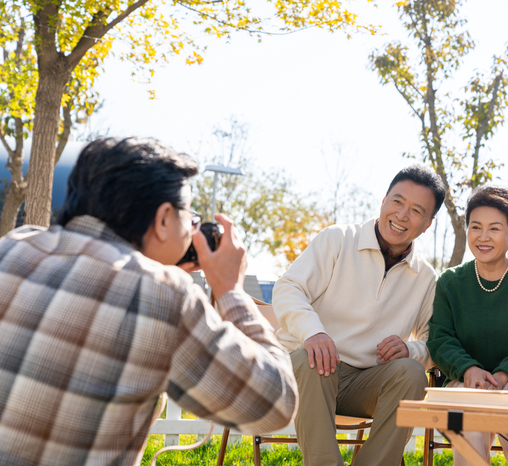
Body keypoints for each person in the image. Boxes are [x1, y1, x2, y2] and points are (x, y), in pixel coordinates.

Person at [0, 138, 298, 465]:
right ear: (164, 219)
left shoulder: (13, 248)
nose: (194, 231)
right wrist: (231, 291)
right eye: (191, 219)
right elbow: (276, 403)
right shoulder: (164, 297)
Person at [272, 165, 445, 466]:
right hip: (308, 374)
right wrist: (313, 332)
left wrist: (411, 349)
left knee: (412, 373)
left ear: (428, 224)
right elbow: (288, 288)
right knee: (311, 361)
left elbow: (435, 342)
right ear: (383, 201)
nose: (402, 215)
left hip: (365, 383)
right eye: (397, 201)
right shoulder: (337, 240)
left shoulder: (426, 277)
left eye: (416, 210)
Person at [427, 185, 508, 466]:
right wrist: (469, 370)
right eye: (475, 227)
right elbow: (440, 338)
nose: (483, 237)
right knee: (468, 407)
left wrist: (505, 375)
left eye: (494, 229)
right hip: (465, 381)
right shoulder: (450, 282)